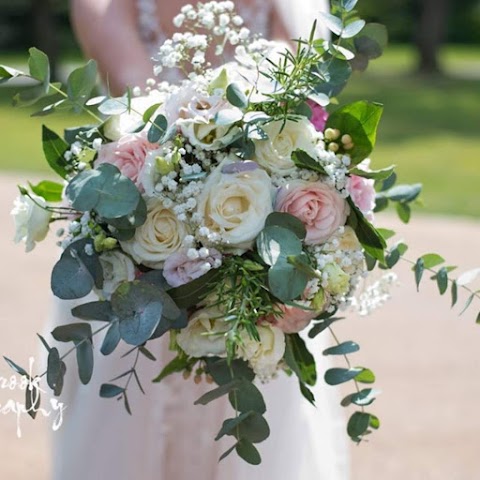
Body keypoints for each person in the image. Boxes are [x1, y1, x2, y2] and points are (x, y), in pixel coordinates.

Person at [51, 1, 350, 479]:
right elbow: (140, 98)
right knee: (128, 403)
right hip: (138, 233)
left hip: (254, 261)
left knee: (252, 393)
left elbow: (297, 91)